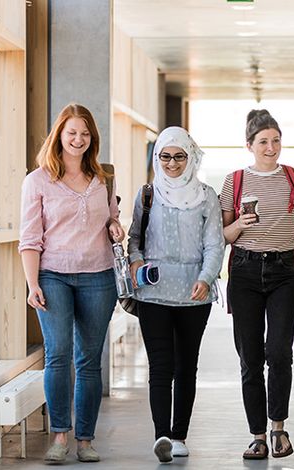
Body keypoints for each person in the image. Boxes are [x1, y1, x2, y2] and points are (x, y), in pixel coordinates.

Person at [18, 103, 125, 464]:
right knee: (59, 355)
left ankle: (85, 439)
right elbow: (30, 238)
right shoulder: (37, 181)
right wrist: (32, 284)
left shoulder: (103, 177)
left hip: (98, 276)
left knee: (89, 360)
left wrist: (114, 226)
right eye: (72, 132)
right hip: (53, 275)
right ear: (59, 135)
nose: (78, 139)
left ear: (92, 138)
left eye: (85, 133)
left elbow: (111, 218)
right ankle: (60, 436)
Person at [220, 109, 294, 460]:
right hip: (244, 272)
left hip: (285, 272)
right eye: (263, 141)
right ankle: (257, 436)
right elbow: (222, 235)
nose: (271, 147)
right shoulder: (234, 181)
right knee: (250, 357)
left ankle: (279, 429)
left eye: (276, 140)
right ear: (249, 145)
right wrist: (241, 225)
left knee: (279, 352)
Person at [127, 126, 225, 463]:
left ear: (190, 157)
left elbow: (215, 242)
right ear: (157, 157)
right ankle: (162, 436)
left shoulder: (207, 196)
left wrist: (206, 276)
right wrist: (137, 261)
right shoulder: (148, 195)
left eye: (179, 156)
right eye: (165, 156)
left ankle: (179, 434)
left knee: (186, 367)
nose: (172, 163)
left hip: (194, 294)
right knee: (160, 367)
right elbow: (134, 239)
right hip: (152, 293)